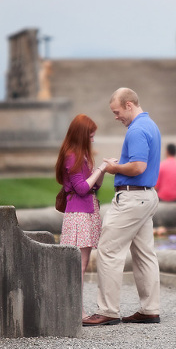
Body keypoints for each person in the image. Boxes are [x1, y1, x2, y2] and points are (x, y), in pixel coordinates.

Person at [83, 88, 161, 327]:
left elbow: (138, 167)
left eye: (117, 112)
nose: (116, 117)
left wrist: (112, 168)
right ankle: (150, 309)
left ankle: (107, 310)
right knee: (145, 254)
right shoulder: (151, 125)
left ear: (129, 105)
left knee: (108, 250)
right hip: (146, 197)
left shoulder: (136, 129)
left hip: (131, 199)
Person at [55, 114, 108, 323]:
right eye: (91, 135)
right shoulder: (72, 155)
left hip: (86, 211)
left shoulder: (81, 154)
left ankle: (73, 308)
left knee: (81, 264)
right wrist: (101, 169)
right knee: (79, 264)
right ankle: (76, 310)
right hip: (79, 213)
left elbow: (94, 186)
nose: (93, 139)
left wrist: (100, 171)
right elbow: (82, 188)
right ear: (82, 134)